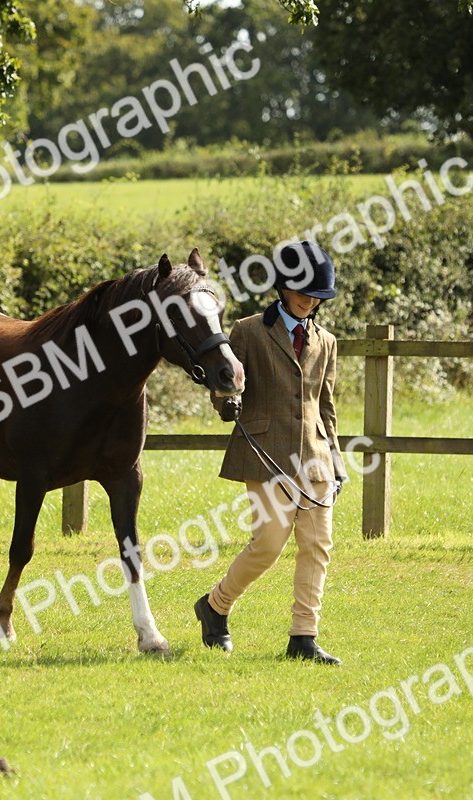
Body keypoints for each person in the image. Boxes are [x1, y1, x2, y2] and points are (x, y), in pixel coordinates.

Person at [194, 240, 349, 665]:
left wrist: (336, 460)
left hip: (315, 454)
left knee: (318, 545)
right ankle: (215, 605)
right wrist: (228, 399)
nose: (308, 299)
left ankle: (303, 636)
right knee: (268, 544)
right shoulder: (247, 330)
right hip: (265, 450)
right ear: (281, 287)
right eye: (301, 290)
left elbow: (326, 405)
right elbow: (224, 388)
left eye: (316, 294)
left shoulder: (327, 341)